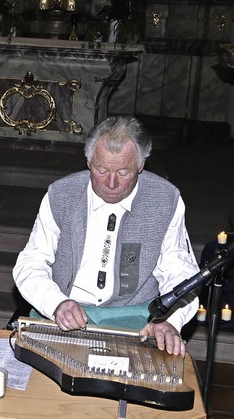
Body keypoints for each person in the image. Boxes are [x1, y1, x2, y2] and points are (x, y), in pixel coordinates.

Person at [13, 116, 199, 357]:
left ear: (141, 165)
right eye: (101, 170)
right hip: (67, 312)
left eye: (123, 171)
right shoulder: (61, 195)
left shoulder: (165, 199)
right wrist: (56, 303)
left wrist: (171, 319)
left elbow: (180, 271)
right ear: (89, 161)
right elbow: (30, 263)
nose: (111, 183)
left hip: (136, 317)